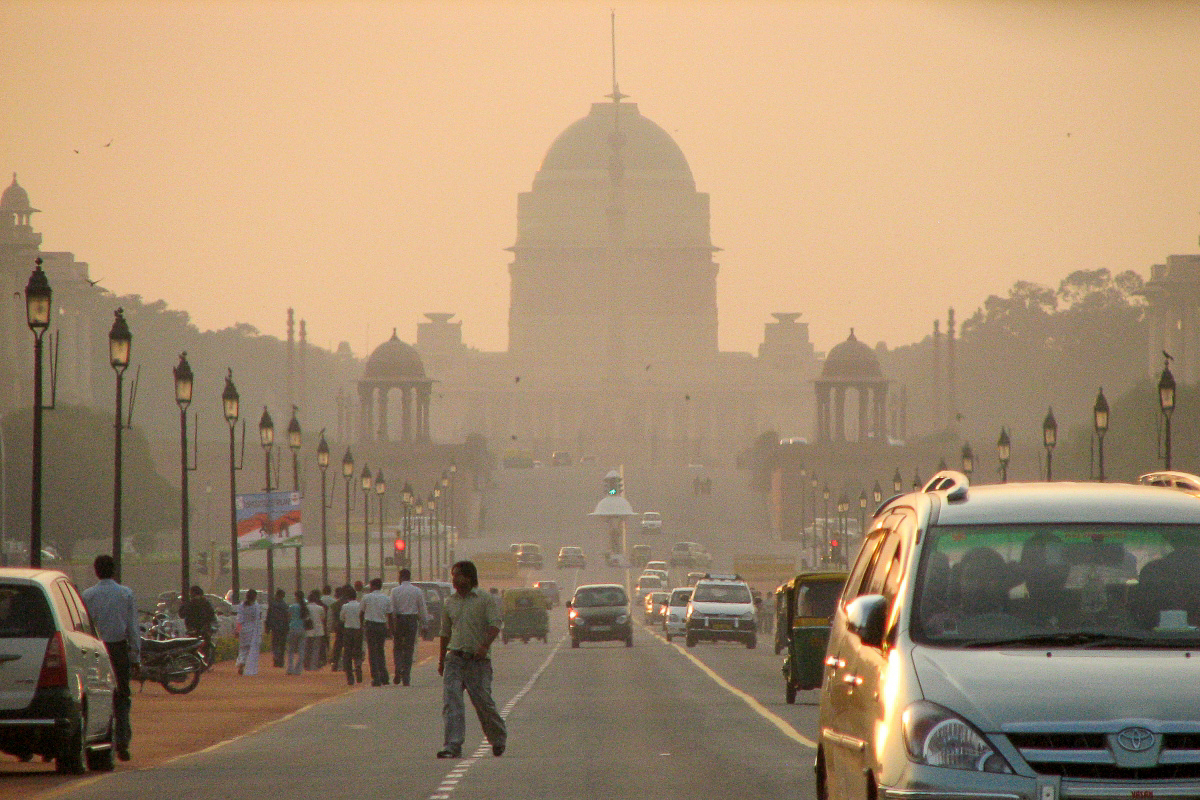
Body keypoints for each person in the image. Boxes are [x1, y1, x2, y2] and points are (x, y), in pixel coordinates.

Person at [437, 560, 506, 759]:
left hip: (478, 661)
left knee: (483, 703)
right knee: (452, 703)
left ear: (469, 577)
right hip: (455, 659)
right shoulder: (450, 602)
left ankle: (498, 738)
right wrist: (442, 660)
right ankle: (452, 745)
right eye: (453, 576)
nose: (454, 580)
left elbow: (495, 624)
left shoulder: (484, 599)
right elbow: (445, 633)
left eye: (457, 575)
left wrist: (484, 646)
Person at [81, 554, 140, 762]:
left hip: (95, 649)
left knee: (96, 694)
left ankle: (96, 740)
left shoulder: (88, 595)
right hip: (118, 649)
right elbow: (133, 628)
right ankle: (122, 741)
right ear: (114, 571)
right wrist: (135, 656)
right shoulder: (125, 594)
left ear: (96, 571)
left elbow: (84, 626)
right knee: (122, 695)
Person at [389, 568, 428, 686]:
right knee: (409, 648)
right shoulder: (417, 591)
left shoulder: (394, 591)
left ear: (400, 578)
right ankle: (406, 676)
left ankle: (398, 668)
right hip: (412, 620)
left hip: (400, 620)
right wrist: (424, 624)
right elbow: (422, 608)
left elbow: (392, 610)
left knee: (398, 647)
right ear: (409, 577)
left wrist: (391, 625)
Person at [361, 577, 393, 686]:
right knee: (380, 651)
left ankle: (376, 678)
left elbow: (361, 613)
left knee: (372, 652)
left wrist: (361, 626)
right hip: (381, 626)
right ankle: (384, 676)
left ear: (373, 586)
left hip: (370, 626)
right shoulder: (386, 598)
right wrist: (390, 630)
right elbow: (390, 615)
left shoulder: (366, 597)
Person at [235, 589, 263, 675]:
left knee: (243, 648)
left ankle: (241, 662)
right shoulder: (256, 606)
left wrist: (237, 631)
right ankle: (248, 666)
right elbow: (259, 618)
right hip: (253, 630)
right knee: (251, 649)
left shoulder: (242, 605)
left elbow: (239, 619)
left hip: (243, 630)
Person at [339, 586, 364, 685]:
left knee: (348, 653)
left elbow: (341, 618)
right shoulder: (360, 605)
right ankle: (358, 666)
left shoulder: (345, 606)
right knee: (357, 651)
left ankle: (350, 677)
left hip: (348, 630)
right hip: (358, 630)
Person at [266, 588, 290, 668]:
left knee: (275, 644)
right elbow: (287, 618)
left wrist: (267, 627)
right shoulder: (285, 606)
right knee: (282, 645)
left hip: (275, 627)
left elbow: (268, 617)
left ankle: (276, 659)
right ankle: (281, 661)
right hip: (283, 627)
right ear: (283, 596)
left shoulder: (272, 605)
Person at [286, 590, 309, 675]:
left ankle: (290, 669)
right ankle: (298, 669)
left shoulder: (293, 606)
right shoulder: (304, 607)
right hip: (302, 629)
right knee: (301, 650)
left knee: (291, 650)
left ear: (296, 597)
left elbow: (288, 616)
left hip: (293, 628)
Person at [328, 585, 349, 672]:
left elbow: (331, 619)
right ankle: (346, 665)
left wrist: (330, 628)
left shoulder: (334, 605)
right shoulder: (350, 604)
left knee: (338, 647)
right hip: (348, 628)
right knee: (348, 647)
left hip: (339, 628)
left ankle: (335, 665)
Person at [305, 589, 326, 670]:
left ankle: (307, 665)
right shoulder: (320, 608)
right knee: (316, 649)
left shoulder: (306, 608)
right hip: (318, 631)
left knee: (307, 648)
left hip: (308, 630)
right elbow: (323, 618)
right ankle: (313, 666)